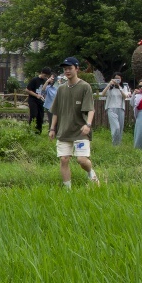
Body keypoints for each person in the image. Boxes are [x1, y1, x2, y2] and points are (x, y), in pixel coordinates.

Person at [48, 56, 99, 188]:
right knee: (64, 159)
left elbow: (90, 109)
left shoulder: (85, 87)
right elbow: (56, 111)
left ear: (77, 69)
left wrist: (88, 125)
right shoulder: (61, 88)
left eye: (70, 68)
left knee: (82, 160)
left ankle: (90, 172)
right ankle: (68, 190)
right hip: (64, 130)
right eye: (65, 69)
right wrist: (52, 129)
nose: (67, 71)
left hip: (80, 131)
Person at [100, 72, 130, 146]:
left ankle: (118, 145)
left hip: (120, 108)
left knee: (120, 128)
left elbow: (125, 96)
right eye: (115, 78)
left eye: (118, 78)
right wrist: (109, 84)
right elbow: (103, 94)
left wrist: (119, 87)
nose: (117, 80)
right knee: (116, 127)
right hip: (111, 108)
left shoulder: (123, 87)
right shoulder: (110, 88)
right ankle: (114, 144)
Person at [25, 68, 51, 134]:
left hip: (41, 100)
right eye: (44, 75)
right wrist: (36, 95)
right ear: (41, 73)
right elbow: (27, 90)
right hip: (33, 100)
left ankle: (38, 132)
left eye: (47, 76)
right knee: (34, 115)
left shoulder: (45, 81)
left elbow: (45, 90)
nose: (45, 77)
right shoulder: (35, 80)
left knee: (40, 116)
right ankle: (31, 130)